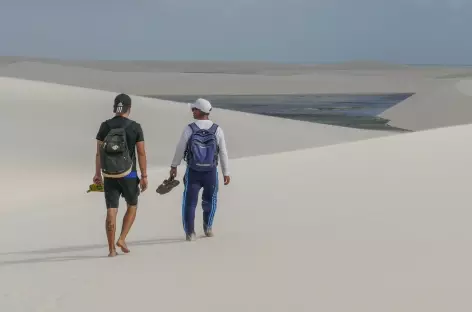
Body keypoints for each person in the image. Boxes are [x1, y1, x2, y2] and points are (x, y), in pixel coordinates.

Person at [93, 93, 148, 257]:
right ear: (129, 109)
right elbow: (141, 152)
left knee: (111, 210)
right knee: (132, 205)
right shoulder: (135, 127)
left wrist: (97, 174)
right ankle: (122, 238)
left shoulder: (105, 126)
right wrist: (144, 176)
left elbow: (98, 153)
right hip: (129, 174)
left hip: (109, 174)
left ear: (115, 107)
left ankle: (111, 250)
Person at [170, 98, 230, 241]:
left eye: (194, 109)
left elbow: (180, 148)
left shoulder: (189, 128)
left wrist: (174, 165)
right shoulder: (217, 129)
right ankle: (208, 228)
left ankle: (190, 233)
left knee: (189, 202)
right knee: (210, 200)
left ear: (199, 111)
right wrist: (226, 172)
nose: (192, 111)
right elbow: (223, 152)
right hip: (211, 171)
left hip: (193, 171)